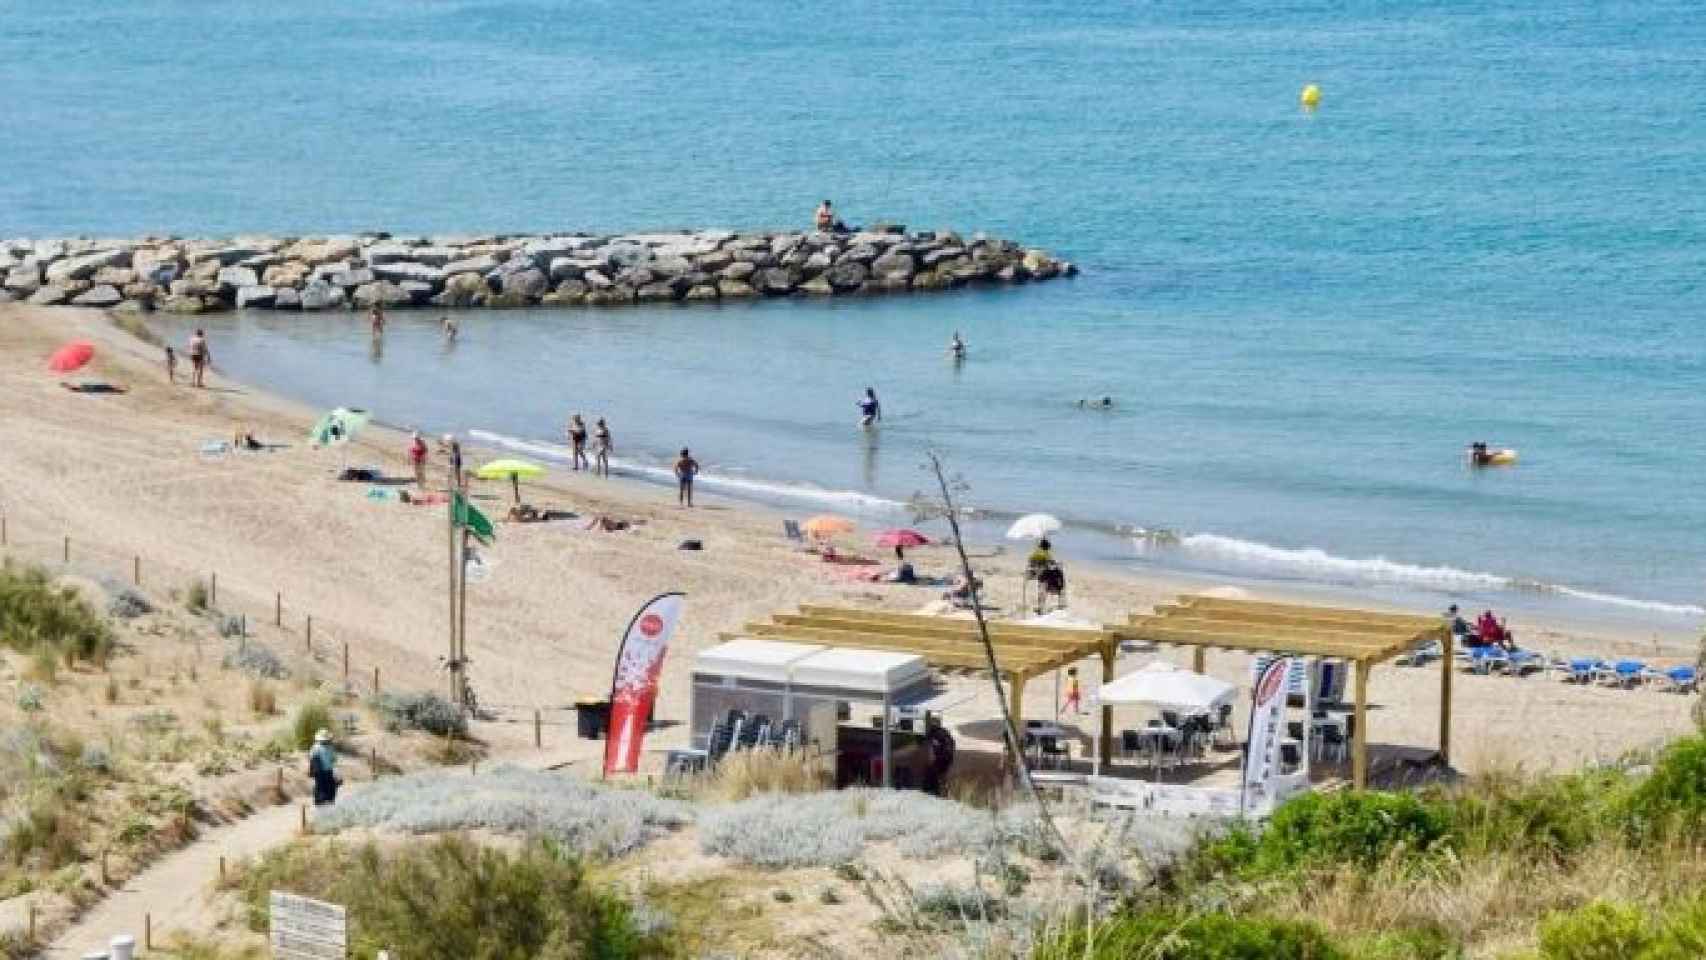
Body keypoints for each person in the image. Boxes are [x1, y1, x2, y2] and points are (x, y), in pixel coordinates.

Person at [308, 729, 339, 806]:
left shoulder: (315, 747)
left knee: (320, 787)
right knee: (328, 788)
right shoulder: (330, 747)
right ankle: (326, 803)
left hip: (320, 772)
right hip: (326, 771)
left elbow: (311, 759)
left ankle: (321, 803)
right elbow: (334, 759)